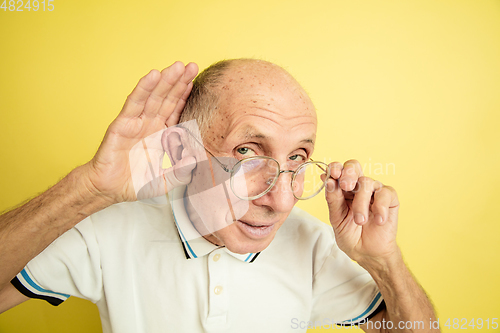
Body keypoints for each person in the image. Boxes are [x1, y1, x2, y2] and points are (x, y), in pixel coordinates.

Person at [0, 59, 439, 332]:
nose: (281, 201)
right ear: (181, 149)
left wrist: (384, 261)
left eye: (298, 158)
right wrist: (89, 188)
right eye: (247, 152)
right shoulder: (109, 225)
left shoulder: (316, 248)